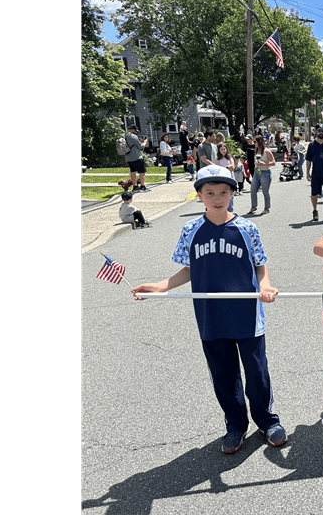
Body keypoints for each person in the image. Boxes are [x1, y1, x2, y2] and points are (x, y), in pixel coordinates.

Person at [131, 165, 287, 452]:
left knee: (256, 371)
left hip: (247, 314)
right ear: (200, 195)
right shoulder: (191, 229)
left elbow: (260, 266)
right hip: (210, 315)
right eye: (210, 192)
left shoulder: (246, 228)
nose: (217, 198)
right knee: (223, 374)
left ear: (232, 193)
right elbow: (188, 271)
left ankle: (267, 420)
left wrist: (265, 286)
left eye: (224, 192)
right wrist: (160, 286)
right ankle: (235, 424)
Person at [248, 136, 275, 215]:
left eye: (255, 142)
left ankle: (267, 208)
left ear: (259, 142)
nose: (254, 143)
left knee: (265, 191)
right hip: (257, 171)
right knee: (253, 189)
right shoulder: (256, 150)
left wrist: (265, 164)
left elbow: (273, 162)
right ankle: (254, 206)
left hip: (265, 172)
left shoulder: (266, 151)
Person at [123, 124, 149, 192]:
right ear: (132, 130)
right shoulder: (133, 136)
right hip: (137, 157)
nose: (136, 132)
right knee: (142, 172)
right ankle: (142, 186)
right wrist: (145, 143)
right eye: (135, 130)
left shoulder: (125, 136)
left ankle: (135, 187)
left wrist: (140, 142)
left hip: (129, 157)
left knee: (133, 172)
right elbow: (140, 146)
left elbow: (133, 144)